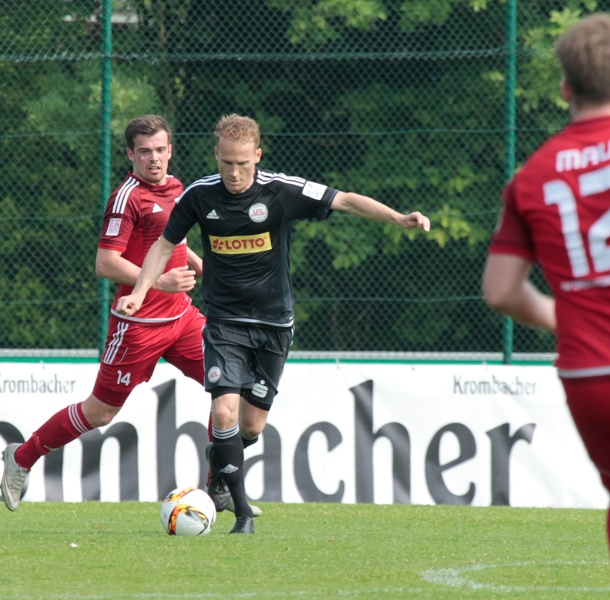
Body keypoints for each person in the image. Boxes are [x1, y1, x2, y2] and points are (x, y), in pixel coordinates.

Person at [117, 114, 430, 534]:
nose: (233, 172)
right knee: (223, 410)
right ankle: (242, 513)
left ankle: (219, 465)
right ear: (216, 155)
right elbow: (163, 245)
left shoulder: (281, 190)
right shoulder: (199, 195)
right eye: (226, 162)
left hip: (274, 324)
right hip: (224, 322)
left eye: (242, 163)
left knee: (251, 426)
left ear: (258, 156)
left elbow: (345, 200)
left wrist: (397, 218)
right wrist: (139, 291)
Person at [0, 115, 263, 517]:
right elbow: (105, 262)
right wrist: (160, 282)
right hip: (138, 326)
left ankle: (219, 484)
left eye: (159, 150)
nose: (153, 158)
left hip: (183, 320)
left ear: (170, 150)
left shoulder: (177, 187)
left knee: (233, 389)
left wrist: (201, 264)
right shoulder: (127, 198)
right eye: (144, 151)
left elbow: (171, 238)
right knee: (101, 412)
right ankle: (21, 457)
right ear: (130, 154)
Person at [482, 12, 610, 559]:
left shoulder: (533, 176)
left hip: (590, 374)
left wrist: (567, 315)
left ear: (565, 88)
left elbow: (501, 291)